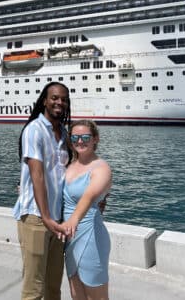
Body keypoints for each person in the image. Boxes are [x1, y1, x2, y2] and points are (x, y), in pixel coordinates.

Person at [13, 82, 71, 300]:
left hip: (56, 220)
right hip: (37, 218)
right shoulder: (34, 130)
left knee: (53, 286)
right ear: (45, 101)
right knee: (34, 288)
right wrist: (46, 217)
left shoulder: (64, 134)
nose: (60, 102)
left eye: (64, 99)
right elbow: (37, 175)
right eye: (55, 98)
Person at [60, 120, 112, 300]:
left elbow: (89, 196)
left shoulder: (101, 167)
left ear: (95, 139)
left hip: (90, 236)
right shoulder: (69, 165)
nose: (79, 141)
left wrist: (74, 220)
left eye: (85, 137)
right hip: (69, 236)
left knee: (96, 295)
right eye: (74, 137)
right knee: (76, 293)